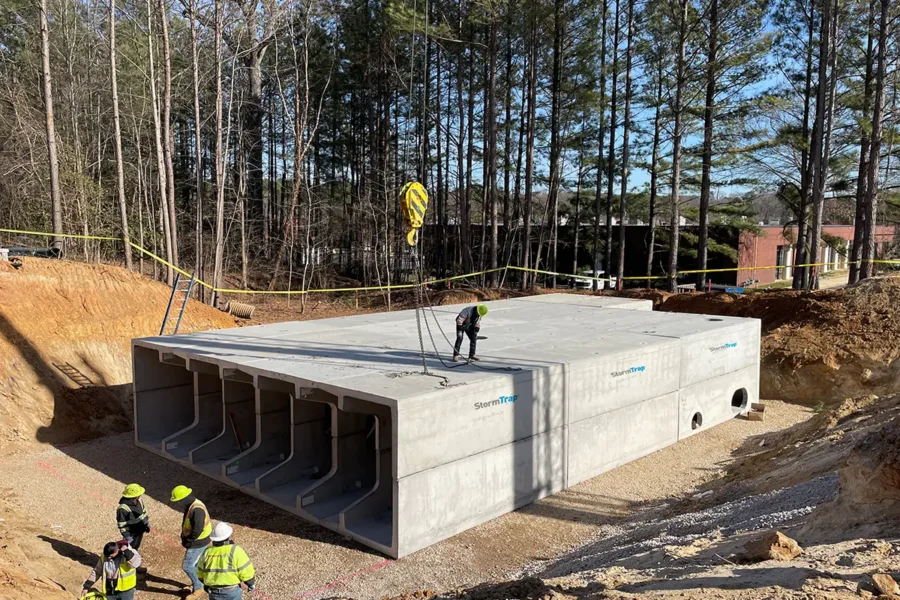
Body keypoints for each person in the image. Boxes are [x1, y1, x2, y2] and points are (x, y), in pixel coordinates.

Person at [171, 485, 212, 600]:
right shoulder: (193, 505)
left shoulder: (196, 509)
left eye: (178, 500)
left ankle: (198, 587)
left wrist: (188, 540)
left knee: (187, 566)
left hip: (198, 542)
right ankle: (198, 582)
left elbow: (197, 529)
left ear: (184, 498)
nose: (178, 503)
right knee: (196, 564)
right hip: (200, 540)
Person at [196, 522, 256, 599]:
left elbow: (200, 573)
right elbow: (246, 570)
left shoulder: (206, 552)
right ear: (228, 536)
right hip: (232, 591)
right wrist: (250, 583)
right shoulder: (235, 550)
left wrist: (206, 583)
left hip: (213, 592)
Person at [116, 483, 150, 575]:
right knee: (127, 551)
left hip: (139, 530)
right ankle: (123, 569)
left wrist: (146, 524)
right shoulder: (123, 508)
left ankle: (135, 566)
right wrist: (127, 536)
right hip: (131, 533)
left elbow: (144, 513)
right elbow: (121, 524)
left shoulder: (139, 501)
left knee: (135, 550)